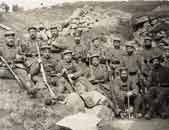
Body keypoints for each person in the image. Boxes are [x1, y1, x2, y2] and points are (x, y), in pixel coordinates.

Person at [0, 31, 36, 96]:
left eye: (12, 38)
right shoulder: (1, 49)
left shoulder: (17, 48)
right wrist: (2, 64)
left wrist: (22, 58)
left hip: (15, 67)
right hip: (5, 68)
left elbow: (23, 57)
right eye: (9, 38)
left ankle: (30, 89)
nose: (11, 40)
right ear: (5, 39)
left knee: (23, 73)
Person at [144, 54, 169, 120]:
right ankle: (161, 112)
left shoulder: (166, 69)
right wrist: (146, 83)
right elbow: (149, 83)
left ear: (159, 61)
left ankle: (150, 112)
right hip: (155, 87)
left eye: (157, 61)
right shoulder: (152, 71)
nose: (156, 62)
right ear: (152, 63)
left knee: (159, 97)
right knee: (147, 96)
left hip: (165, 87)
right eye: (154, 61)